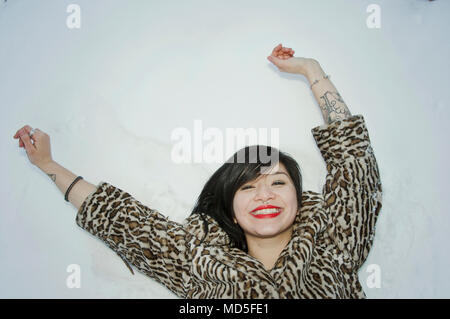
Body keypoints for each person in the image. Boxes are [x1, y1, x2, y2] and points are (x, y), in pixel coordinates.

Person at [13, 44, 382, 298]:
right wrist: (48, 165)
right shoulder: (197, 261)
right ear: (232, 211)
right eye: (248, 187)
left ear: (299, 201)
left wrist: (310, 69)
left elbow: (352, 158)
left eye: (278, 182)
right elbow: (121, 222)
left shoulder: (334, 242)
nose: (265, 193)